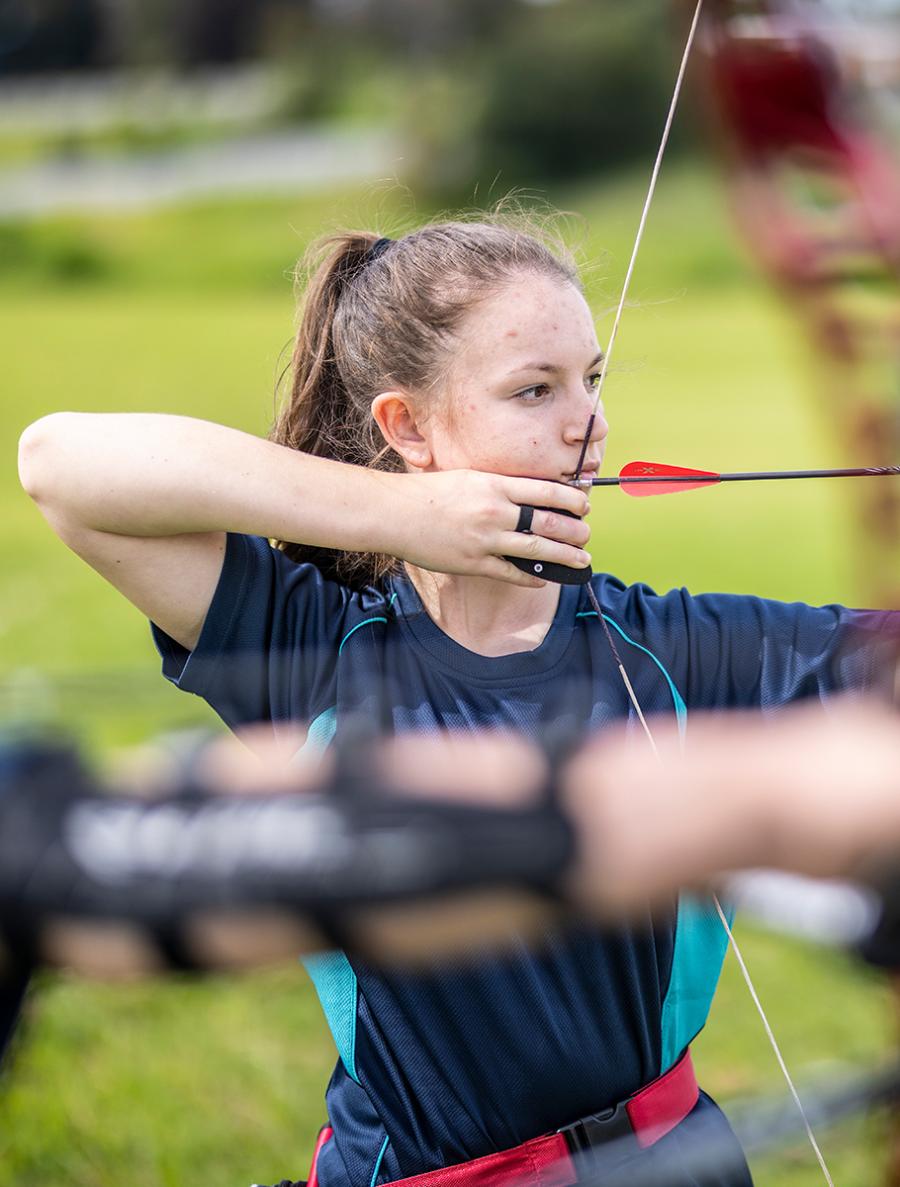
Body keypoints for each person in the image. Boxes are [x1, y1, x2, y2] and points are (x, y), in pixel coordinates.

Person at [17, 218, 896, 1187]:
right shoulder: (313, 647)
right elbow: (60, 466)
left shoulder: (683, 650)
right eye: (534, 389)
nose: (587, 421)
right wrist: (405, 514)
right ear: (407, 429)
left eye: (592, 379)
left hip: (674, 1161)